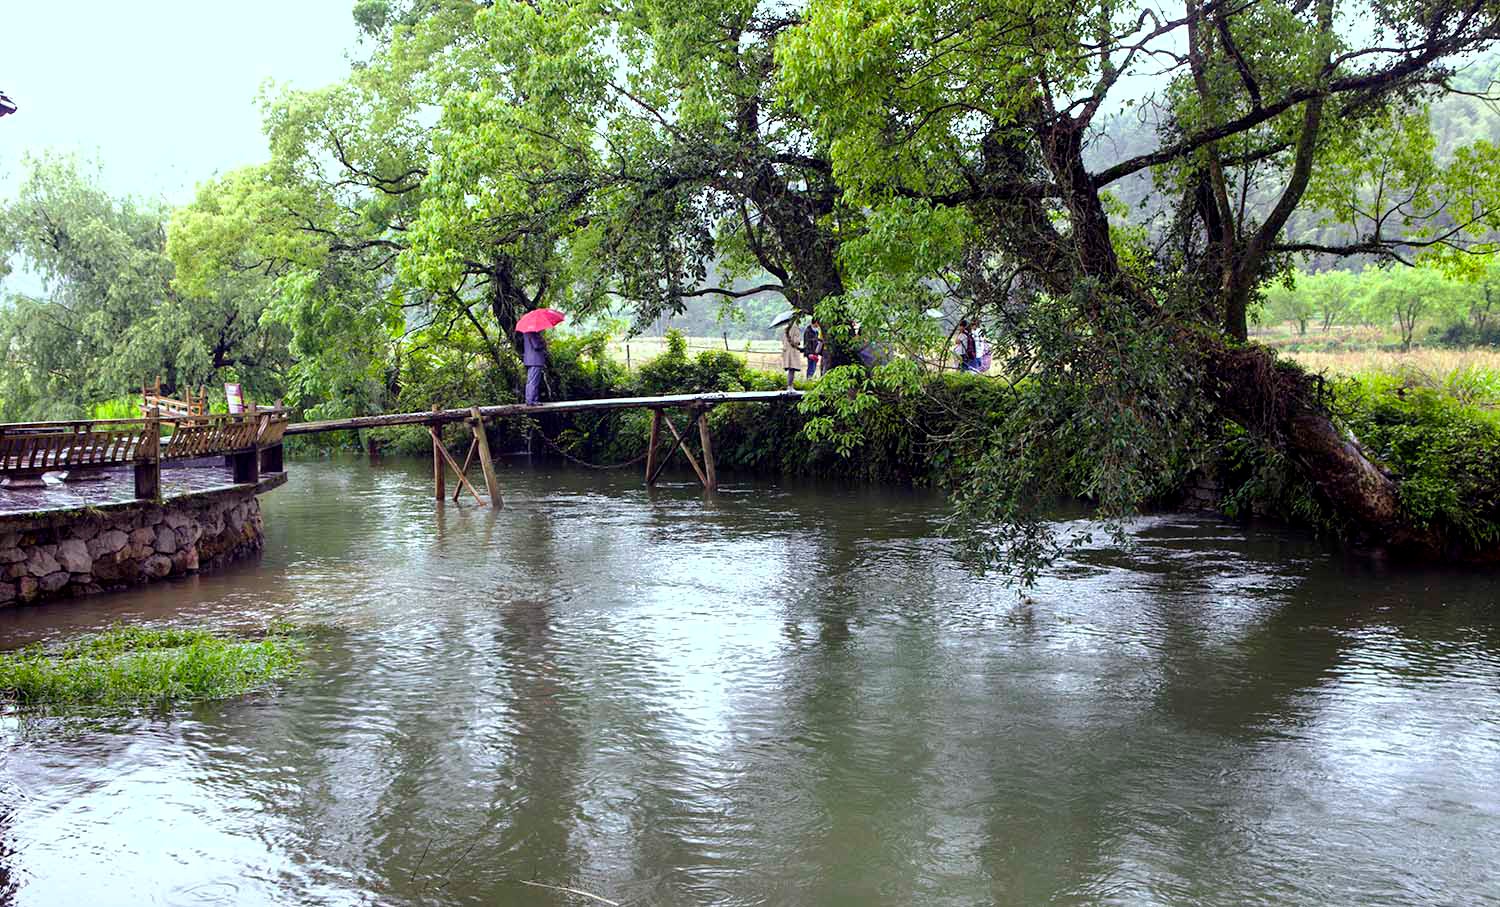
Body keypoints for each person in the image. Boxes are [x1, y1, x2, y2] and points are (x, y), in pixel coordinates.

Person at [522, 329, 548, 405]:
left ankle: (532, 400)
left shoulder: (526, 332)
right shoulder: (531, 332)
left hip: (531, 360)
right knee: (533, 381)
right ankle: (531, 401)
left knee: (531, 381)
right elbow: (536, 345)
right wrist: (544, 343)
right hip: (535, 360)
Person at [780, 318, 804, 388]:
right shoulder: (795, 327)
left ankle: (789, 386)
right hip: (793, 351)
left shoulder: (786, 328)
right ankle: (790, 386)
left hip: (786, 351)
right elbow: (796, 340)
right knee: (792, 369)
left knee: (790, 369)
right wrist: (799, 341)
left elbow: (782, 340)